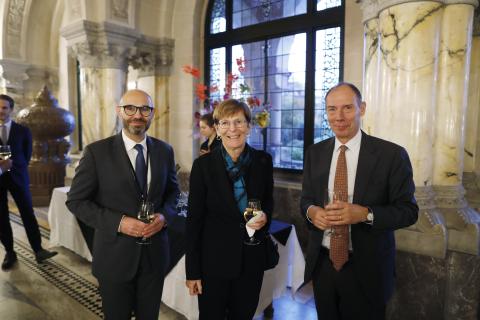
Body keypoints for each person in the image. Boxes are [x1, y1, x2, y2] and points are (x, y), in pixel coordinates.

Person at [300, 82, 418, 320]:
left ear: (361, 108)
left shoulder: (391, 155)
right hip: (323, 265)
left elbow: (408, 211)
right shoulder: (315, 152)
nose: (339, 117)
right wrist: (313, 212)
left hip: (367, 269)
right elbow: (306, 200)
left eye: (347, 108)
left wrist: (365, 214)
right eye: (332, 109)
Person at [66, 89, 179, 320]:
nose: (137, 115)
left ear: (152, 114)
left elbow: (173, 193)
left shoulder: (164, 151)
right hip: (114, 257)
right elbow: (76, 201)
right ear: (120, 112)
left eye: (144, 109)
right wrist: (119, 222)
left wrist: (164, 216)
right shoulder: (97, 152)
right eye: (130, 108)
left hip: (154, 256)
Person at [186, 99, 273, 320]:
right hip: (213, 263)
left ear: (249, 126)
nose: (232, 129)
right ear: (216, 128)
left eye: (238, 122)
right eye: (225, 123)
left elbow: (268, 203)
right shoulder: (203, 166)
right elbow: (194, 221)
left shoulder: (263, 161)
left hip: (251, 259)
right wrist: (193, 271)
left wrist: (264, 219)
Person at [0, 94, 57, 271]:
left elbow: (26, 154)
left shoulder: (22, 131)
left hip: (18, 177)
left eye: (4, 108)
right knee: (1, 217)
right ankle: (10, 252)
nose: (0, 111)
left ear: (11, 109)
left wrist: (14, 166)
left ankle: (38, 250)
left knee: (28, 213)